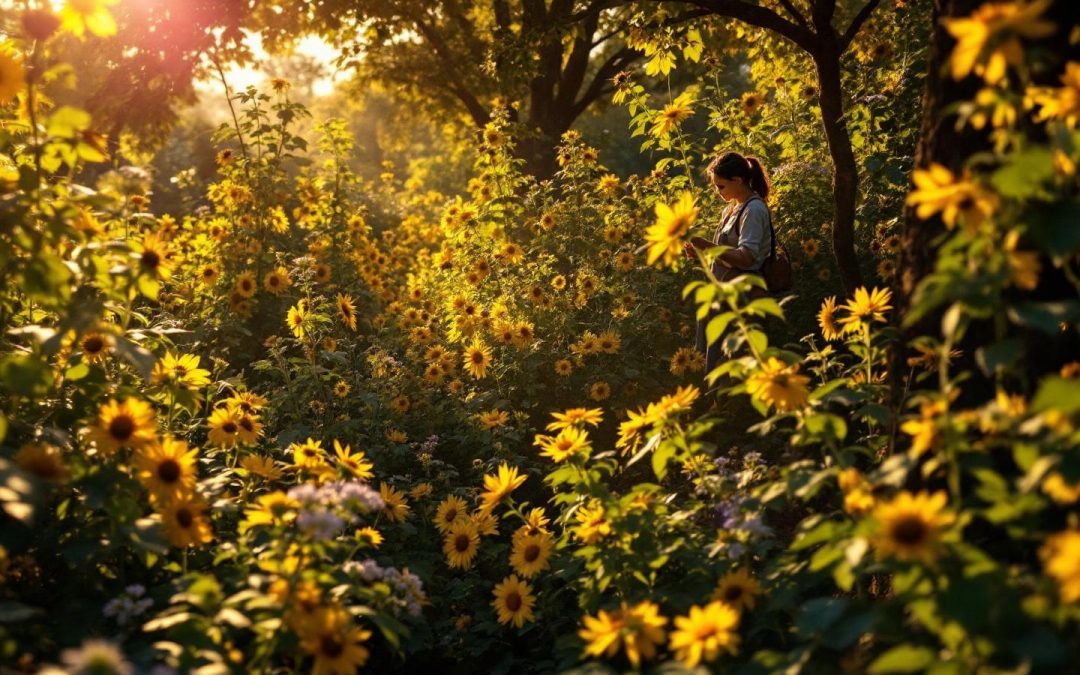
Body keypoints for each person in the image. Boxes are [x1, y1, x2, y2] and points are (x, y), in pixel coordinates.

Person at [684, 152, 774, 375]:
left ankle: (726, 404)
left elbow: (746, 258)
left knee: (729, 358)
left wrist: (706, 245)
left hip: (741, 295)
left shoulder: (753, 210)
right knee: (713, 353)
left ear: (738, 180)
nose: (718, 192)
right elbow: (726, 254)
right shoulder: (731, 209)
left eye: (721, 186)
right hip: (722, 292)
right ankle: (715, 400)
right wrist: (701, 254)